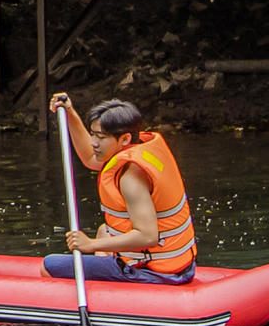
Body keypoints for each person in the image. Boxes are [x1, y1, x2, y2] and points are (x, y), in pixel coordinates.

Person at [45, 97, 197, 283]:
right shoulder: (139, 146)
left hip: (157, 271)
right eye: (93, 134)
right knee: (104, 230)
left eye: (100, 137)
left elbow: (148, 236)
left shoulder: (131, 177)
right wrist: (70, 113)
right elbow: (89, 158)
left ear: (124, 139)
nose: (93, 142)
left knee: (49, 266)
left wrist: (91, 245)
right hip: (178, 263)